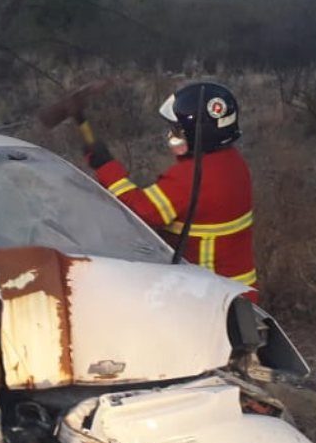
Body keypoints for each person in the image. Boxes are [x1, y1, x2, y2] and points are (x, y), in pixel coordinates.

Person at [83, 82, 259, 302]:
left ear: (197, 133)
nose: (173, 136)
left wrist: (105, 166)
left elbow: (140, 212)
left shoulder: (190, 178)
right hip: (239, 291)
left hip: (210, 295)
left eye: (178, 130)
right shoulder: (233, 163)